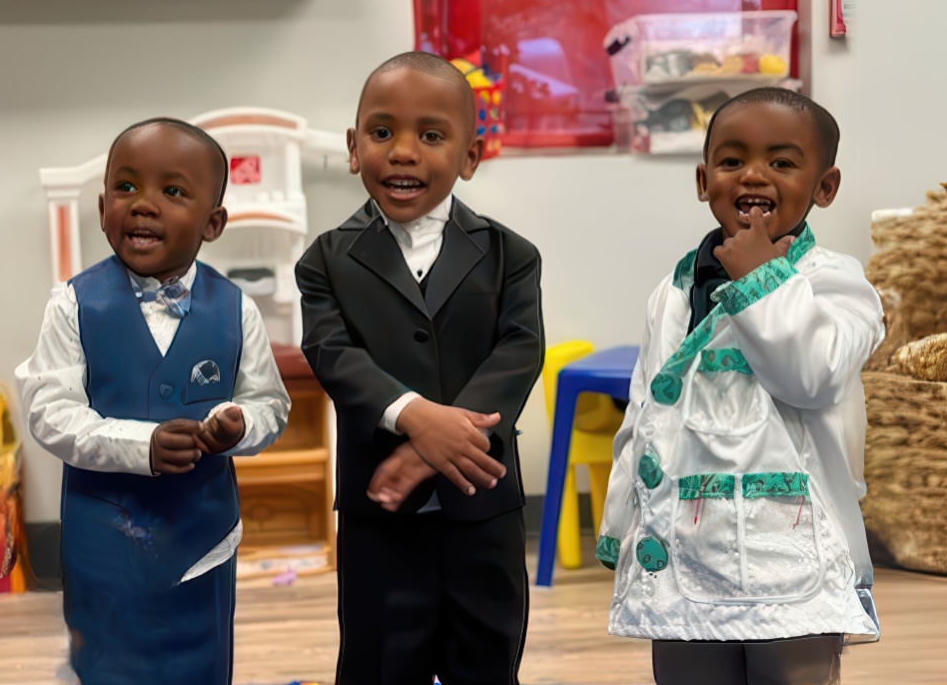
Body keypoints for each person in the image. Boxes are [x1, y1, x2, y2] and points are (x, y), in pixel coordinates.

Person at [596, 88, 884, 685]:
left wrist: (761, 279)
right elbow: (646, 410)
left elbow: (814, 376)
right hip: (686, 553)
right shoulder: (672, 289)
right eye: (732, 162)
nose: (754, 175)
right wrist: (621, 520)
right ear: (704, 181)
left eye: (781, 162)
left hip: (788, 558)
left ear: (823, 187)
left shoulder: (838, 283)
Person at [295, 51, 544, 685]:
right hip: (380, 518)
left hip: (482, 509)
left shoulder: (511, 255)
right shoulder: (325, 260)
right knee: (378, 665)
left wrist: (438, 446)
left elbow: (518, 352)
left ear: (470, 156)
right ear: (354, 148)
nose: (403, 152)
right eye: (382, 133)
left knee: (488, 662)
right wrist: (416, 419)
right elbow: (332, 353)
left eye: (431, 136)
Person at [17, 118, 291, 685]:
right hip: (104, 544)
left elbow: (269, 402)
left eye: (172, 192)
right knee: (107, 665)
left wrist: (238, 426)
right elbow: (50, 411)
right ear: (101, 208)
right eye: (126, 187)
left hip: (202, 542)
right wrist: (141, 445)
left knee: (202, 664)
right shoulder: (73, 305)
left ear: (212, 222)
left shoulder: (237, 309)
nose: (143, 205)